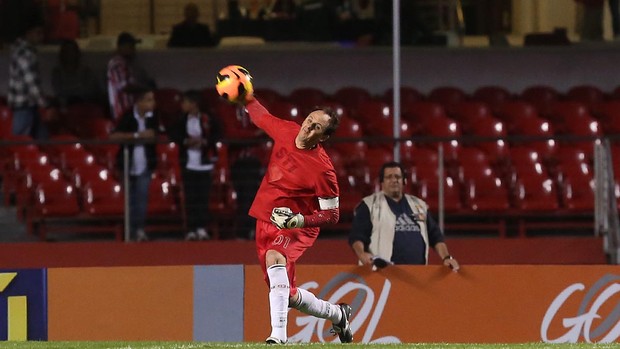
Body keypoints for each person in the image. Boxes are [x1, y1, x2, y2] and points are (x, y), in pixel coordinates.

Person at [242, 87, 353, 344]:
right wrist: (246, 98)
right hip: (265, 218)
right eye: (309, 121)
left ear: (323, 138)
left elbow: (332, 215)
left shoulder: (323, 170)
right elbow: (262, 117)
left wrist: (299, 220)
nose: (308, 128)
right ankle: (338, 314)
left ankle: (278, 337)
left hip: (299, 225)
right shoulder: (287, 130)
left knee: (274, 257)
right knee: (286, 294)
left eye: (316, 128)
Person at [349, 161, 460, 271]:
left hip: (417, 275)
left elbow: (436, 236)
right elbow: (357, 237)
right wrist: (362, 254)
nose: (394, 180)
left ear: (404, 181)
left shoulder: (419, 205)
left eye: (398, 177)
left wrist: (446, 257)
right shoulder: (369, 205)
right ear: (381, 182)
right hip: (382, 274)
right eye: (389, 177)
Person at [110, 84, 159, 242]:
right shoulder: (128, 117)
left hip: (145, 165)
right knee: (129, 201)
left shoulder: (153, 117)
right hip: (127, 165)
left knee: (142, 199)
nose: (152, 103)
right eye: (149, 100)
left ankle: (139, 230)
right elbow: (114, 136)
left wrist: (148, 136)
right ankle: (129, 231)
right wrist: (137, 135)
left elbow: (154, 135)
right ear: (139, 102)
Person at [168, 90, 220, 241]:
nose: (182, 105)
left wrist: (204, 142)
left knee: (203, 198)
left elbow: (218, 133)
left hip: (205, 164)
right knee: (191, 198)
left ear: (193, 104)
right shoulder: (181, 119)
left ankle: (202, 228)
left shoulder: (208, 118)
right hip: (188, 164)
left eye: (185, 102)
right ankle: (191, 229)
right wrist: (186, 141)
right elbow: (173, 133)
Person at [7, 16, 51, 139]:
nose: (41, 37)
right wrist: (45, 105)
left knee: (41, 138)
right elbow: (31, 82)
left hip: (28, 104)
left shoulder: (19, 49)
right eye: (38, 33)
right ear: (29, 33)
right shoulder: (25, 53)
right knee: (21, 141)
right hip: (24, 105)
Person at [107, 31, 154, 122]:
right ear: (121, 47)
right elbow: (125, 87)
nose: (133, 50)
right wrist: (145, 89)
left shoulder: (127, 64)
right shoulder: (117, 63)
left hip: (131, 112)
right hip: (122, 112)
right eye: (130, 46)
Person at [51, 39, 102, 108]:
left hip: (84, 105)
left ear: (77, 53)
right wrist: (77, 88)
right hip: (65, 106)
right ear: (62, 54)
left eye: (72, 50)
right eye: (67, 51)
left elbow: (89, 91)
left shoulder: (86, 71)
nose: (69, 54)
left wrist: (73, 91)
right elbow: (59, 91)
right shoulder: (57, 72)